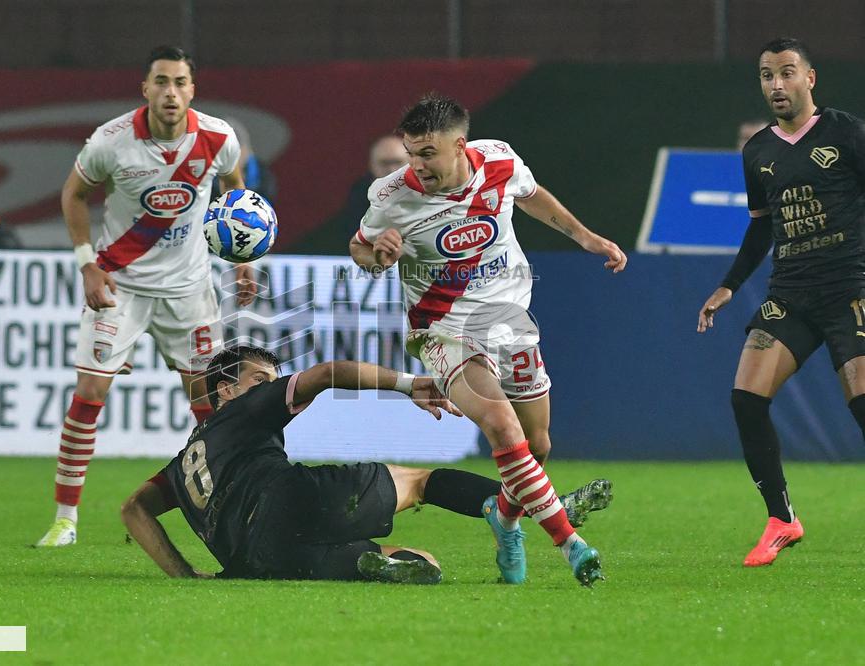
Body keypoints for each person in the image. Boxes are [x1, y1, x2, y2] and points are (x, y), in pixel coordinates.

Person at [348, 94, 626, 585]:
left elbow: (531, 192)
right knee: (501, 425)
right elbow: (361, 246)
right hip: (442, 331)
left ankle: (505, 517)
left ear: (460, 146)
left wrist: (584, 236)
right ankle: (570, 543)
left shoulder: (498, 159)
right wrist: (377, 255)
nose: (417, 165)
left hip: (509, 322)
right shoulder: (391, 195)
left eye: (427, 153)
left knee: (536, 445)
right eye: (411, 153)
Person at [122, 346, 600, 585]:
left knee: (424, 562)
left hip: (253, 559)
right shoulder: (245, 408)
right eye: (260, 377)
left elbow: (133, 510)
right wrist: (410, 384)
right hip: (289, 501)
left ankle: (378, 565)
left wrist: (186, 578)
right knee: (420, 480)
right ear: (225, 388)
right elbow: (329, 374)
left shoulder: (182, 464)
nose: (271, 383)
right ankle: (530, 507)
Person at [36, 45, 257, 547]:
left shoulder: (219, 137)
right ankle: (65, 520)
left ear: (192, 90)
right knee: (89, 396)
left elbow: (235, 191)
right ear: (146, 88)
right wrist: (87, 264)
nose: (170, 92)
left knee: (210, 409)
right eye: (161, 81)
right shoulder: (110, 141)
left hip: (189, 290)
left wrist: (244, 258)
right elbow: (73, 193)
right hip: (121, 286)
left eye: (180, 82)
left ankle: (220, 512)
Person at [697, 38, 865, 567]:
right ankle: (782, 518)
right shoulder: (758, 152)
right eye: (767, 75)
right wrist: (728, 284)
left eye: (786, 73)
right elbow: (760, 229)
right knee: (746, 398)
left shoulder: (846, 133)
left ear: (809, 79)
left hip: (851, 288)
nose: (776, 85)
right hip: (791, 293)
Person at [312, 135, 408, 255]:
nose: (391, 170)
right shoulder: (357, 201)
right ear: (372, 166)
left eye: (397, 162)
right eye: (384, 164)